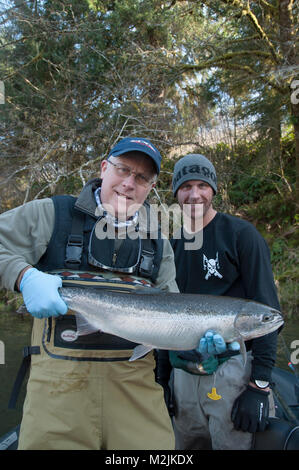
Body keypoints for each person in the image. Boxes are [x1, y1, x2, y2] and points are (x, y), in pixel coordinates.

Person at [0, 137, 179, 450]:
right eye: (123, 170)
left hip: (138, 401)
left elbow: (175, 314)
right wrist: (24, 276)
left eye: (141, 178)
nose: (128, 184)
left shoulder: (158, 243)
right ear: (104, 167)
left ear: (151, 187)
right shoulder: (51, 214)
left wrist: (195, 345)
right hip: (56, 403)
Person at [169, 153, 282, 450]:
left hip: (233, 369)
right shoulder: (172, 244)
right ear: (176, 193)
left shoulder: (241, 235)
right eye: (186, 187)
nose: (195, 194)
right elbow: (162, 316)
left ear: (214, 190)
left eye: (202, 186)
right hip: (183, 373)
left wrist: (259, 385)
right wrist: (162, 379)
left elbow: (269, 314)